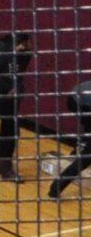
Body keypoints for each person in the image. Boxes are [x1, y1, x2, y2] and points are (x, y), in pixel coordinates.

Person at [0, 29, 34, 182]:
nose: (30, 46)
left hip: (15, 95)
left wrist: (16, 87)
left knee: (10, 130)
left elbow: (20, 73)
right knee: (9, 130)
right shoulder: (2, 52)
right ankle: (5, 168)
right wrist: (6, 89)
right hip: (3, 95)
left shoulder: (25, 55)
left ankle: (3, 164)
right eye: (27, 43)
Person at [47, 70, 91, 199]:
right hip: (79, 102)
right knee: (85, 159)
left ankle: (81, 146)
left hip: (76, 98)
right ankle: (55, 189)